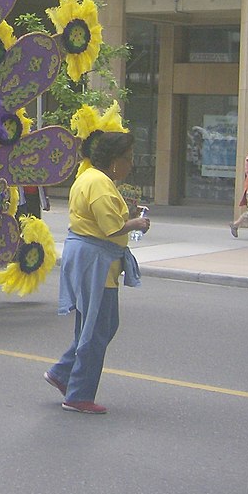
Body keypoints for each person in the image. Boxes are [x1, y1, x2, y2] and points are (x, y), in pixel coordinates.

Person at [46, 130, 149, 415]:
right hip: (96, 262)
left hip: (90, 257)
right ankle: (78, 393)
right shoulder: (100, 183)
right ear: (114, 161)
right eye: (127, 159)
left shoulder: (90, 178)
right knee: (99, 327)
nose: (130, 165)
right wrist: (137, 222)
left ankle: (63, 373)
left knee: (93, 325)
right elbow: (111, 227)